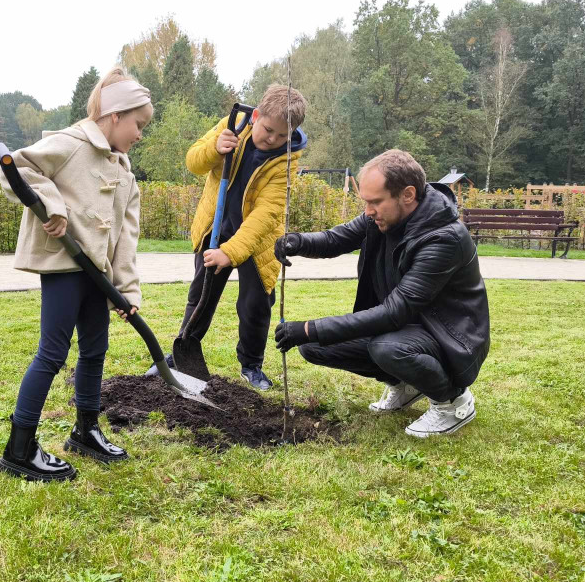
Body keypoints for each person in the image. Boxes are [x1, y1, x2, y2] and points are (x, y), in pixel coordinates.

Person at [0, 68, 151, 482]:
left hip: (97, 276)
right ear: (115, 115)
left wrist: (127, 290)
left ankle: (86, 431)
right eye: (139, 125)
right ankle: (19, 447)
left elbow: (126, 236)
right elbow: (17, 168)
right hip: (65, 266)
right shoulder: (69, 143)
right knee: (53, 352)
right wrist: (53, 205)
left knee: (95, 350)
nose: (140, 135)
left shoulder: (125, 172)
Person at [274, 149, 490, 437]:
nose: (368, 211)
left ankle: (453, 401)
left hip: (450, 339)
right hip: (407, 328)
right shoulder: (383, 217)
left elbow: (394, 312)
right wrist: (297, 242)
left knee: (385, 347)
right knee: (314, 346)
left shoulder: (444, 239)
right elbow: (335, 239)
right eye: (365, 202)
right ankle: (406, 385)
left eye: (375, 202)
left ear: (408, 195)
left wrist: (309, 327)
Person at [171, 84, 307, 390]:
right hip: (215, 227)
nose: (273, 139)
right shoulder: (231, 126)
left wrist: (230, 253)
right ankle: (182, 351)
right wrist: (215, 149)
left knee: (255, 304)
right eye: (268, 129)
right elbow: (193, 161)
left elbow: (266, 214)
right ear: (256, 115)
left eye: (282, 136)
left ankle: (251, 365)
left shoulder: (287, 160)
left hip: (257, 241)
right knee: (201, 295)